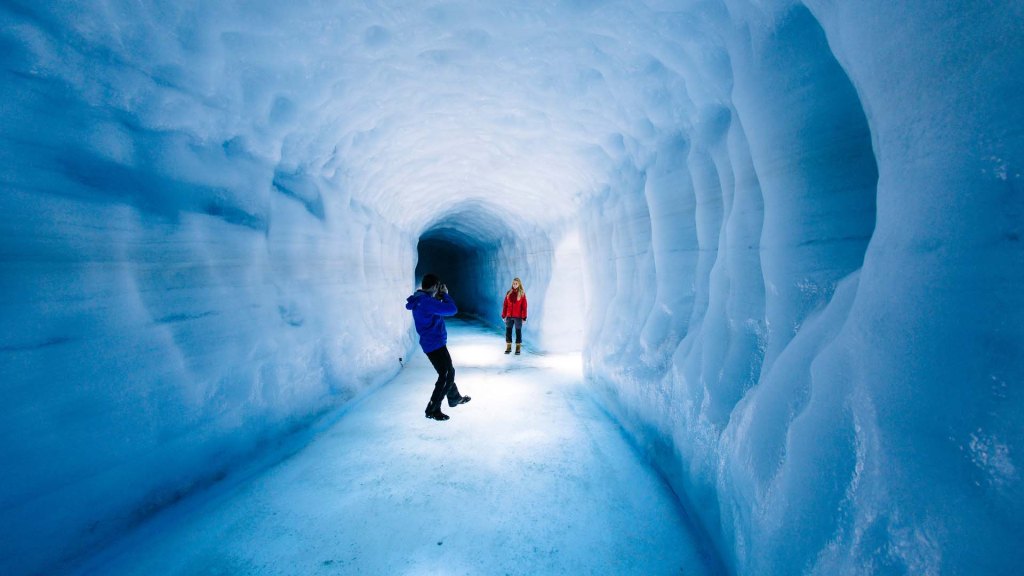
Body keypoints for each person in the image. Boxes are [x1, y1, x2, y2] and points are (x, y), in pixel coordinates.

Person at [405, 273, 471, 421]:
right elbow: (452, 310)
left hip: (432, 342)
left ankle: (454, 397)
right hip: (434, 343)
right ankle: (432, 409)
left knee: (447, 371)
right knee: (446, 374)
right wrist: (446, 295)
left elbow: (432, 308)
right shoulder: (427, 302)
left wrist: (436, 298)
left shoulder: (422, 300)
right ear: (435, 286)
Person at [501, 277, 528, 355]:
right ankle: (508, 347)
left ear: (519, 284)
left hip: (518, 317)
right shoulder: (508, 293)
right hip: (509, 316)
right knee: (508, 331)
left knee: (518, 332)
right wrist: (504, 315)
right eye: (513, 283)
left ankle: (518, 347)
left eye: (516, 283)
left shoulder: (522, 294)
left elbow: (524, 306)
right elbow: (505, 305)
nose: (514, 285)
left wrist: (524, 317)